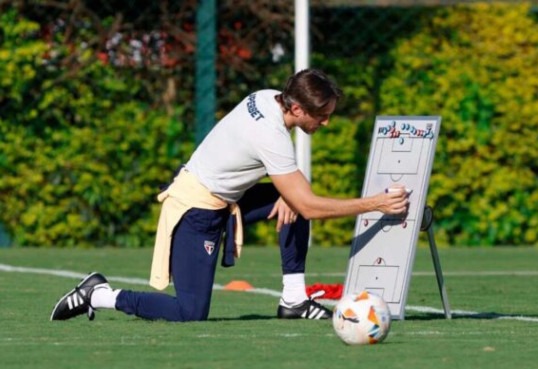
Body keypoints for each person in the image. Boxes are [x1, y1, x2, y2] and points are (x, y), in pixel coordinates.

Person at [50, 68, 409, 323]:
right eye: (322, 116)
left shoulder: (269, 97)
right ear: (297, 109)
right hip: (197, 209)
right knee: (189, 313)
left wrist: (291, 196)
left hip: (228, 198)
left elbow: (298, 198)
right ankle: (99, 294)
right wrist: (374, 203)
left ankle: (294, 301)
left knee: (294, 202)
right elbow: (310, 207)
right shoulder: (270, 134)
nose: (326, 122)